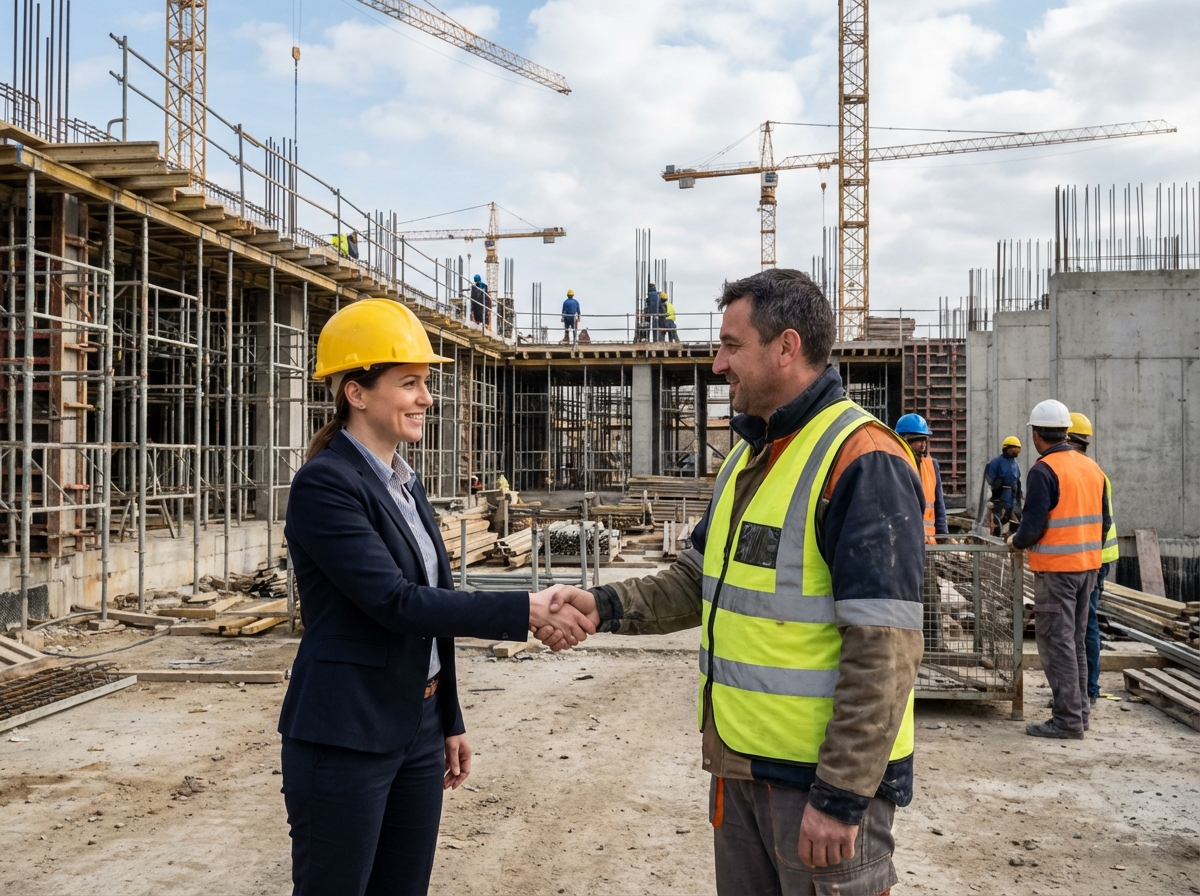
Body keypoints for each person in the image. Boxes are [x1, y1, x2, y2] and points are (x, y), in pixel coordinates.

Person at [541, 269, 925, 896]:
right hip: (742, 769)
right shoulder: (750, 457)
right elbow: (698, 579)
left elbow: (885, 648)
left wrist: (842, 795)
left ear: (786, 347)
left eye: (730, 345)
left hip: (816, 787)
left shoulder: (861, 459)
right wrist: (602, 604)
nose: (717, 364)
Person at [279, 298, 595, 896]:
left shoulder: (404, 481)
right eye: (410, 383)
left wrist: (445, 715)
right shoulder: (325, 485)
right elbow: (396, 602)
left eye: (426, 384)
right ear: (356, 392)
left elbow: (436, 600)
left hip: (416, 727)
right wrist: (524, 610)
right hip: (346, 733)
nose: (427, 398)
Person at [1007, 399, 1110, 740]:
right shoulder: (1091, 468)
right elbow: (1104, 522)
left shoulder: (1043, 469)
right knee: (1076, 642)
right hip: (1088, 569)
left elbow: (1033, 524)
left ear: (1037, 435)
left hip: (1057, 572)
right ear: (1066, 432)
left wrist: (1016, 541)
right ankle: (1079, 714)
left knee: (1057, 644)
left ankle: (1067, 719)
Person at [1067, 412, 1119, 707]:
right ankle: (1085, 688)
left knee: (1085, 625)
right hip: (1093, 556)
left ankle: (1089, 689)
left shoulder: (1087, 471)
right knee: (1083, 625)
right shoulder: (1092, 469)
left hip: (1093, 558)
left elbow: (1102, 521)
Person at [895, 413, 947, 544]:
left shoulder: (931, 465)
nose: (923, 445)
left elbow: (938, 505)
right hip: (903, 542)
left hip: (927, 542)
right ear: (904, 440)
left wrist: (942, 536)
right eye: (918, 440)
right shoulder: (894, 466)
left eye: (925, 440)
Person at [985, 436, 1023, 536]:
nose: (1016, 452)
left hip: (1013, 496)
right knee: (998, 520)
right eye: (1013, 449)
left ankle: (1013, 539)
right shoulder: (995, 463)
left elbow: (1017, 479)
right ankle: (996, 540)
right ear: (1006, 449)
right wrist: (996, 491)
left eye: (1017, 449)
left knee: (1016, 518)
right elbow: (989, 480)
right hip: (1000, 497)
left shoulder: (1014, 463)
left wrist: (1018, 495)